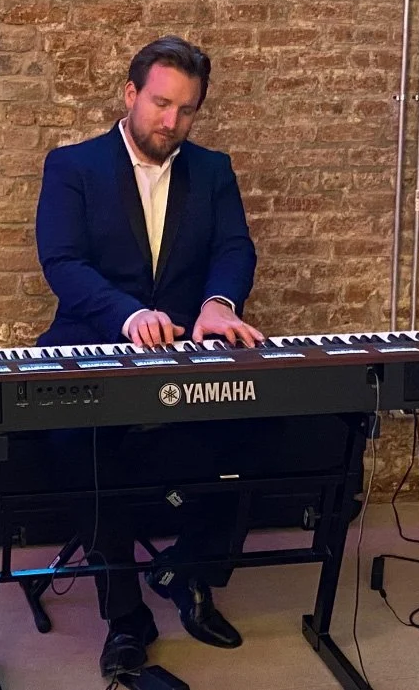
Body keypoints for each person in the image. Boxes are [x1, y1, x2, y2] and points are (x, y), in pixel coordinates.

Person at [34, 36, 267, 680]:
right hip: (90, 342)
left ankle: (188, 572)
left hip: (187, 353)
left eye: (187, 110)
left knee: (259, 424)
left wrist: (220, 301)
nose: (172, 122)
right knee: (80, 445)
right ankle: (125, 615)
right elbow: (62, 262)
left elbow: (235, 248)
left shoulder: (213, 171)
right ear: (131, 94)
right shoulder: (73, 166)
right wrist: (127, 315)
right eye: (161, 104)